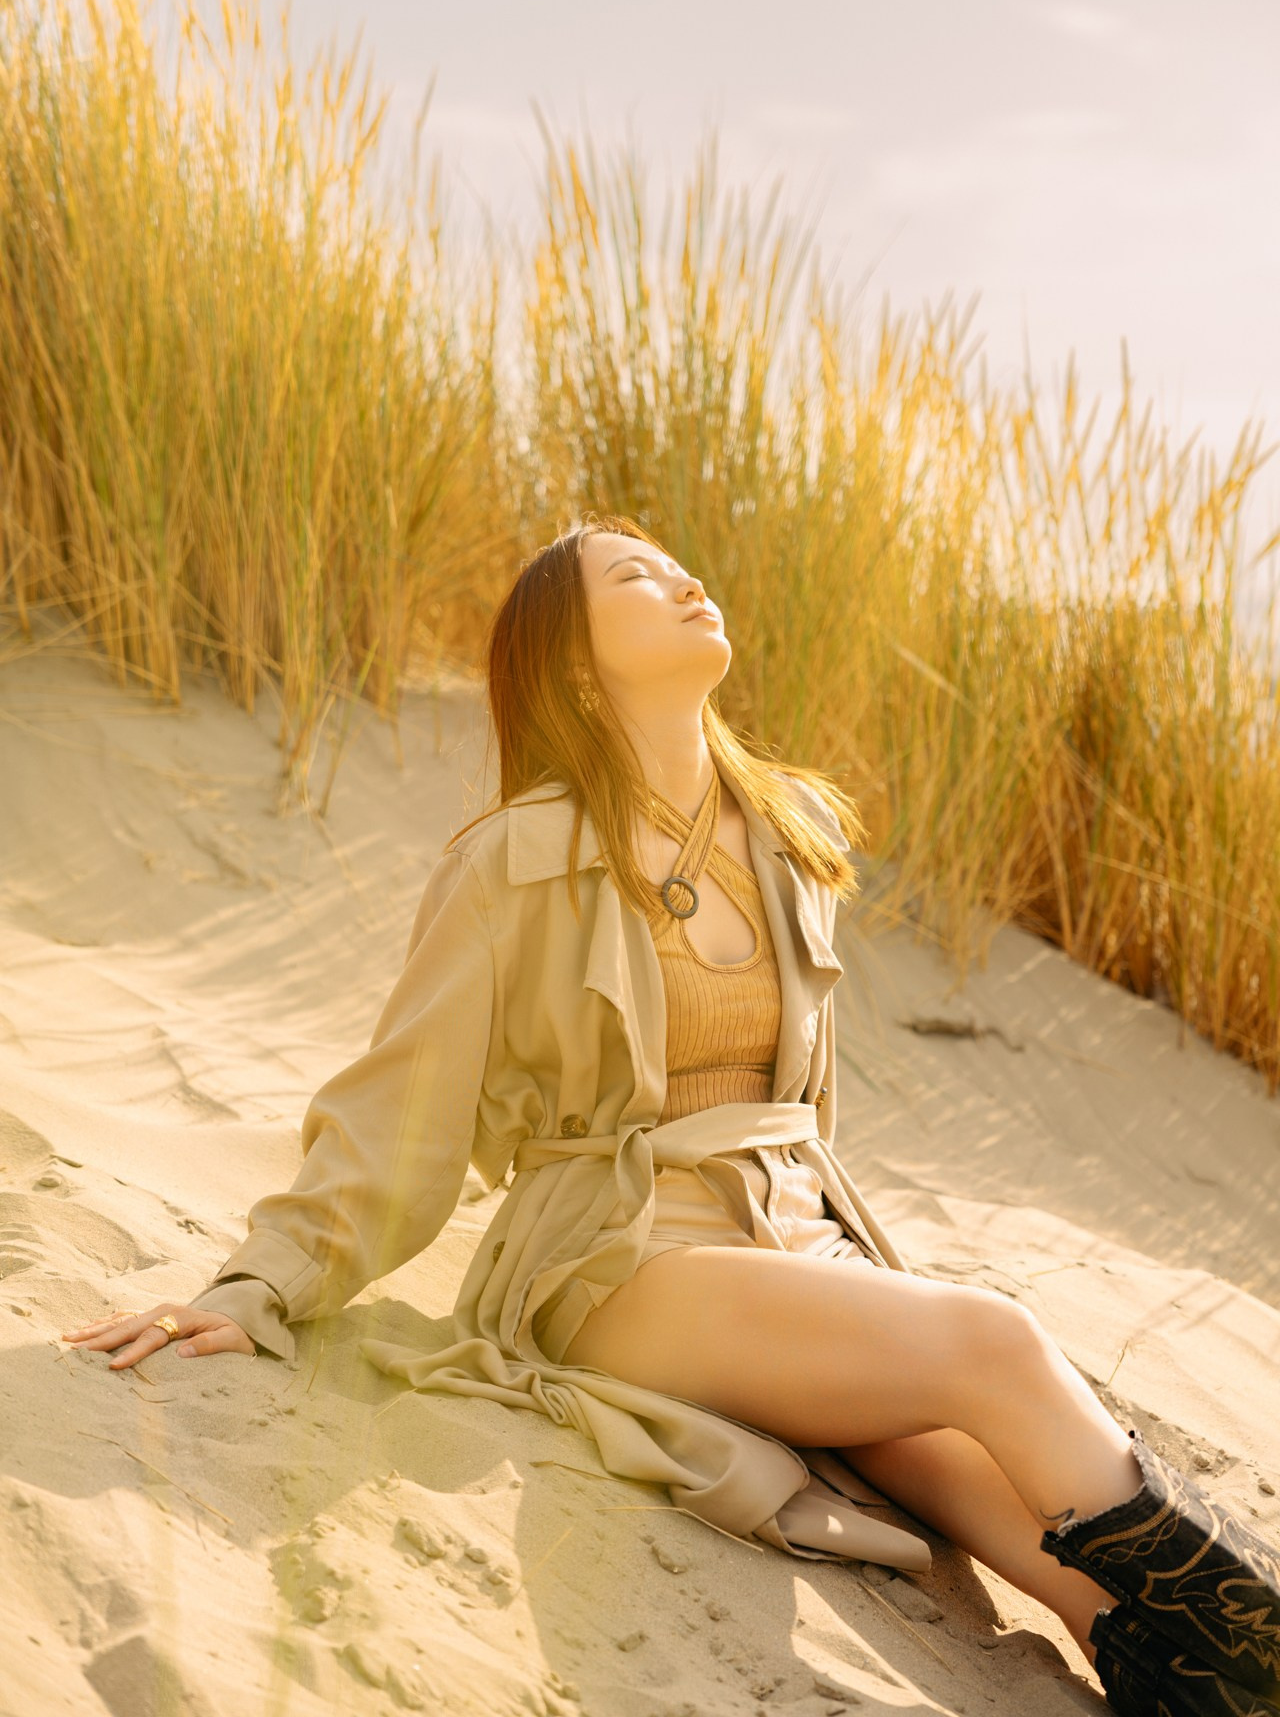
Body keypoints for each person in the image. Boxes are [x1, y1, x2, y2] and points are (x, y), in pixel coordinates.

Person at [63, 515, 1280, 1714]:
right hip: (621, 1256)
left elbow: (804, 1107)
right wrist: (255, 1287)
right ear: (574, 662)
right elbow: (403, 1110)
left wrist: (839, 1264)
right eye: (635, 578)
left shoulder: (789, 840)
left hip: (791, 1238)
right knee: (997, 1346)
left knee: (976, 1473)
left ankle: (1169, 1671)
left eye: (676, 562)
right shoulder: (512, 860)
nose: (685, 579)